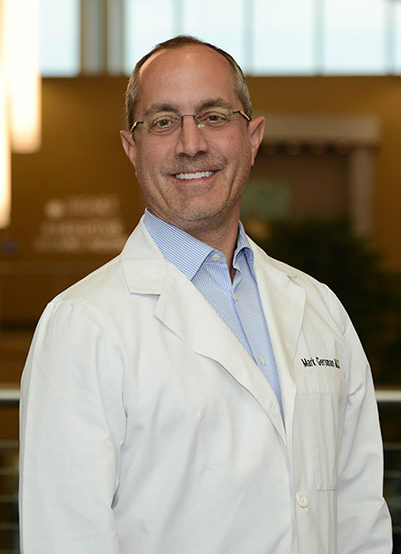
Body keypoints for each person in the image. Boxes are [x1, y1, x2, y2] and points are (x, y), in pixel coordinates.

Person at [19, 35, 392, 554]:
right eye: (163, 121)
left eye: (214, 116)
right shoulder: (83, 324)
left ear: (253, 137)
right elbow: (65, 535)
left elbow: (360, 517)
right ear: (131, 147)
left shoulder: (320, 308)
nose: (191, 143)